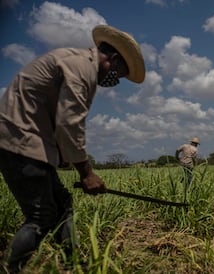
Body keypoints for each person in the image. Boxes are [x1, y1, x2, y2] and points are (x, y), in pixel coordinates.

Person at [0, 24, 145, 272]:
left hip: (26, 141)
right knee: (40, 216)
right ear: (114, 58)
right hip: (20, 143)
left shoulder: (74, 60)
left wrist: (61, 154)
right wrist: (87, 173)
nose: (115, 80)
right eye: (119, 73)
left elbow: (52, 115)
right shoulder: (81, 68)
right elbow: (69, 123)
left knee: (63, 202)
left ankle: (73, 262)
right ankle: (9, 269)